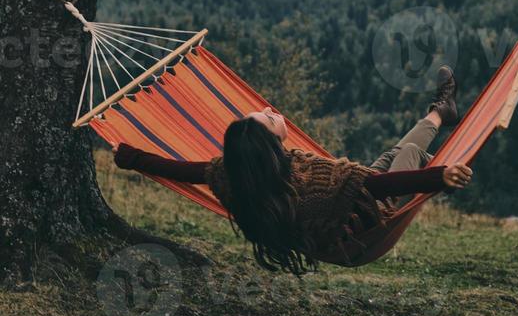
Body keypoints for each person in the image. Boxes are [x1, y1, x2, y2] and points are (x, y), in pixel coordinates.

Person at [113, 65, 472, 275]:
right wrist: (436, 178)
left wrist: (128, 156)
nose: (270, 110)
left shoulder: (235, 174)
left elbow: (179, 169)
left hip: (354, 203)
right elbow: (377, 189)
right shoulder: (308, 184)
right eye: (267, 117)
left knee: (394, 152)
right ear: (271, 143)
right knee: (408, 151)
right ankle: (438, 126)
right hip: (364, 231)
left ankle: (442, 111)